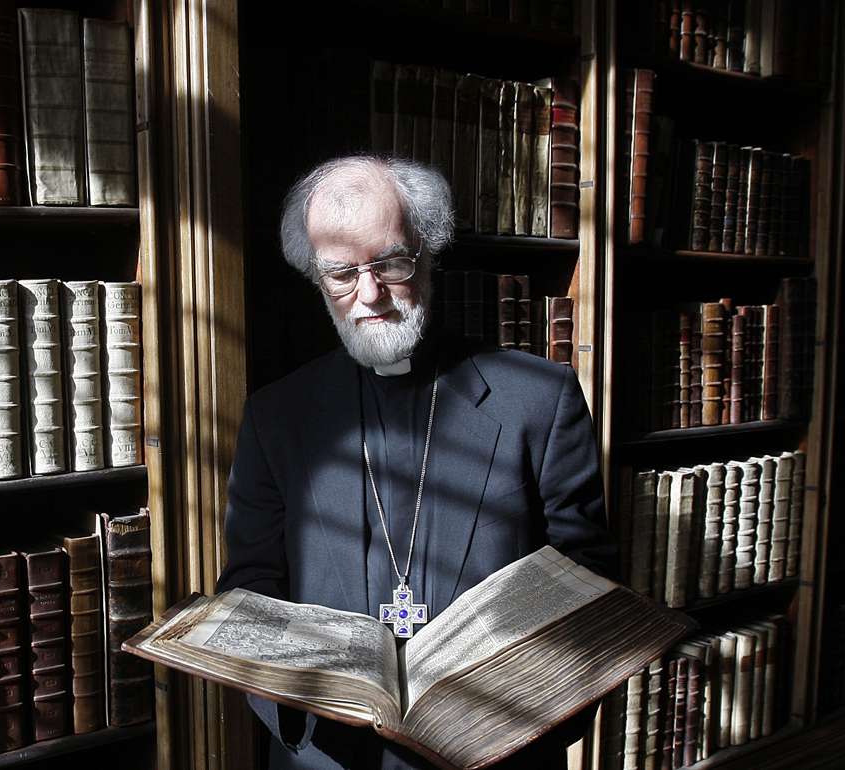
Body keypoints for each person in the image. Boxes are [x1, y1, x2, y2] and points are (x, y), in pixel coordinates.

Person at [216, 155, 616, 769]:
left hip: (499, 746)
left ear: (428, 252)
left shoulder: (539, 400)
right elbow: (250, 588)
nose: (369, 294)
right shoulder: (277, 417)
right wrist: (302, 709)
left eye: (390, 263)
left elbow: (587, 580)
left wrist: (537, 714)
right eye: (341, 274)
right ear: (317, 279)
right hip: (330, 753)